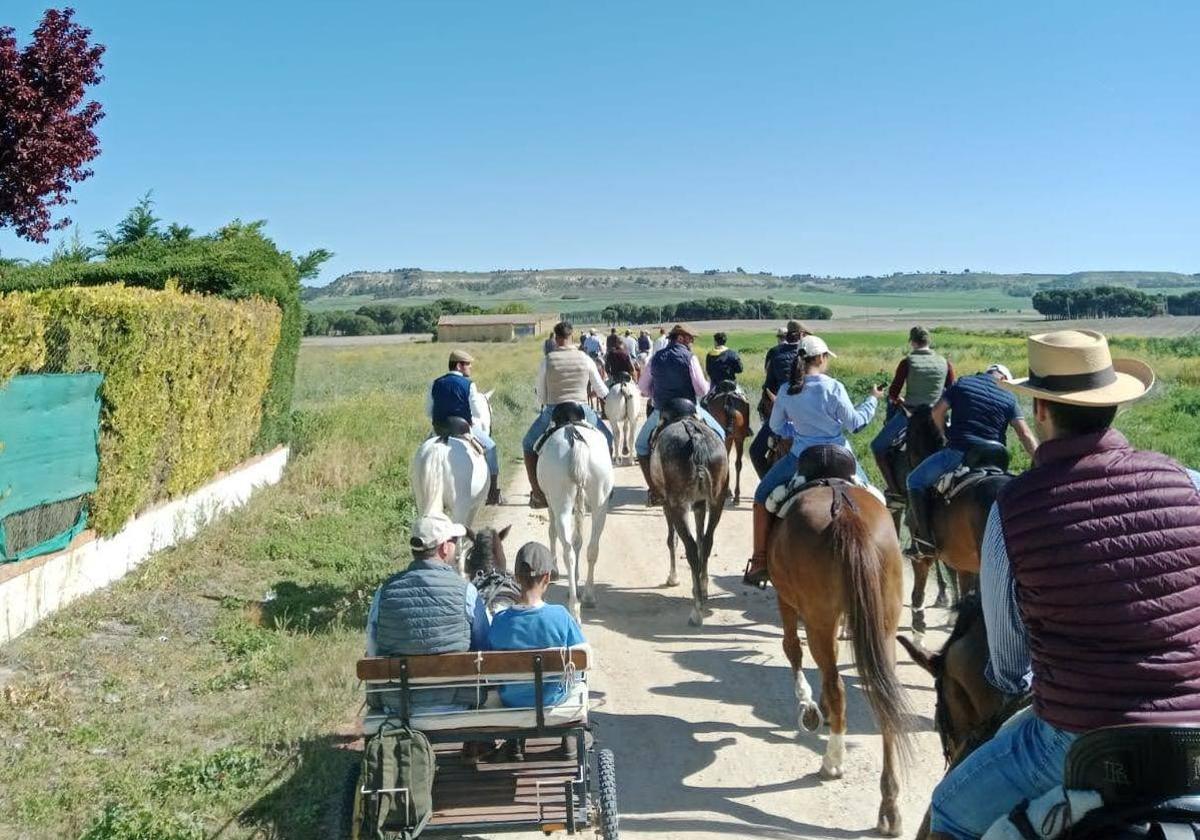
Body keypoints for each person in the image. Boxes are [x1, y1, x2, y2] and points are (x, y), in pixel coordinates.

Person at [927, 329, 1200, 840]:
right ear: (1113, 405)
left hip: (1077, 740)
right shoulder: (1189, 481)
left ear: (1043, 411)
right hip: (1195, 731)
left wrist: (1016, 685)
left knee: (949, 812)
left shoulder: (1013, 508)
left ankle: (921, 538)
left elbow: (1008, 658)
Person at [743, 335, 882, 587]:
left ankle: (760, 559)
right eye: (826, 357)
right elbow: (856, 424)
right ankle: (881, 560)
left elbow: (776, 426)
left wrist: (795, 431)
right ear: (819, 358)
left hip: (802, 457)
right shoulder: (834, 387)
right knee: (876, 499)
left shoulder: (787, 390)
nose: (826, 361)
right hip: (841, 455)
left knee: (762, 495)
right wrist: (872, 399)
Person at [906, 362, 1039, 553]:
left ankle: (925, 541)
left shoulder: (963, 384)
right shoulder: (1009, 397)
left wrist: (945, 435)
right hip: (997, 459)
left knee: (914, 480)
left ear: (988, 373)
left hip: (960, 453)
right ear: (1004, 379)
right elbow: (1025, 434)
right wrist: (1042, 459)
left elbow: (937, 411)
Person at [365, 513, 490, 712]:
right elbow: (484, 647)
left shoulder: (385, 591)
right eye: (454, 540)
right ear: (444, 547)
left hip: (398, 704)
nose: (456, 545)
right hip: (458, 702)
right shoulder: (466, 591)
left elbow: (372, 648)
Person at [486, 542, 586, 709]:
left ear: (516, 578)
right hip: (552, 699)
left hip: (511, 701)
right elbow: (582, 660)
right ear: (547, 577)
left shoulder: (500, 620)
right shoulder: (560, 616)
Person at [634, 324, 727, 504]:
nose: (691, 342)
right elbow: (701, 389)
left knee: (641, 447)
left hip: (663, 410)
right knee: (720, 434)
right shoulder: (690, 358)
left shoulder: (655, 359)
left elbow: (643, 388)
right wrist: (709, 387)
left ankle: (655, 492)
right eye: (690, 338)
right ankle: (719, 484)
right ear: (681, 338)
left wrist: (656, 392)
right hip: (690, 408)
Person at [524, 321, 613, 508]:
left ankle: (538, 493)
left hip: (553, 409)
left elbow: (540, 393)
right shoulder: (585, 358)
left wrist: (545, 400)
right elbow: (600, 389)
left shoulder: (547, 360)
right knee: (608, 438)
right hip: (581, 408)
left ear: (556, 339)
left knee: (528, 443)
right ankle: (607, 487)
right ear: (571, 336)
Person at [870, 326, 957, 497]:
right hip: (937, 416)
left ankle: (894, 490)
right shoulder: (945, 362)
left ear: (912, 342)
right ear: (928, 341)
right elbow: (952, 390)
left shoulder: (907, 362)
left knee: (877, 446)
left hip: (911, 414)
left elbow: (894, 394)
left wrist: (901, 400)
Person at [426, 349, 503, 505]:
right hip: (461, 428)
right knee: (491, 447)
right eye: (468, 364)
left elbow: (429, 411)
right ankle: (493, 493)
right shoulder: (469, 384)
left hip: (439, 428)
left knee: (423, 451)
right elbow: (477, 413)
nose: (470, 367)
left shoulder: (435, 383)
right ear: (459, 366)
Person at [749, 320, 809, 476]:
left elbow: (768, 386)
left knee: (755, 452)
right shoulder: (811, 354)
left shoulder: (775, 353)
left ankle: (768, 490)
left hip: (785, 411)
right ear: (802, 335)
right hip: (811, 414)